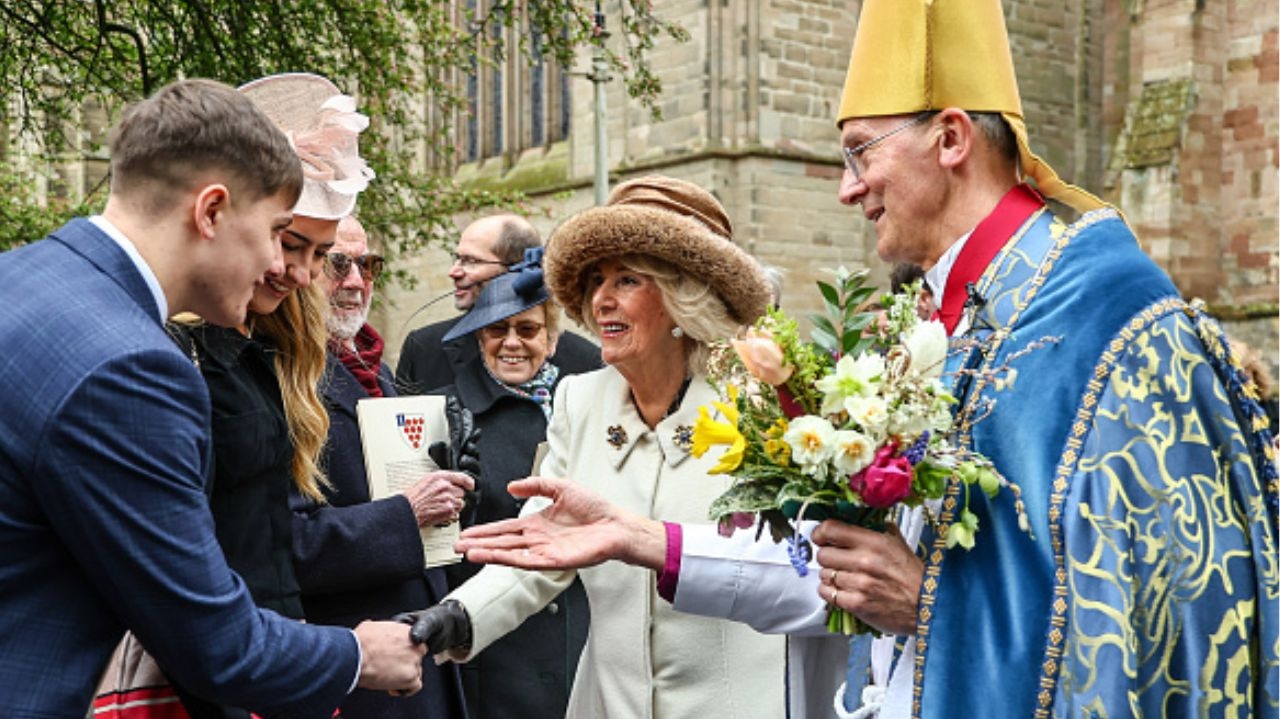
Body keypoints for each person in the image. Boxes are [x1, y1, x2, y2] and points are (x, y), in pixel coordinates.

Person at [452, 1, 1280, 717]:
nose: (847, 187)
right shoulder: (952, 321)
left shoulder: (1105, 321)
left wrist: (932, 605)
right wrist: (640, 536)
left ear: (950, 137)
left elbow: (1165, 624)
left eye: (860, 151)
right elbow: (840, 569)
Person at [0, 78, 423, 717]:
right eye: (278, 232)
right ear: (212, 211)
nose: (287, 269)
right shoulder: (135, 367)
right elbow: (217, 644)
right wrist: (358, 654)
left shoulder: (24, 278)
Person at [403, 175, 800, 719]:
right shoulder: (579, 399)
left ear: (685, 294)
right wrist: (454, 617)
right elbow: (541, 546)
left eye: (627, 280)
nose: (601, 300)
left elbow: (791, 570)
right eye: (595, 280)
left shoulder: (761, 405)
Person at [164, 71, 398, 718]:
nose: (299, 272)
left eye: (319, 255)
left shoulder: (280, 357)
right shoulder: (179, 353)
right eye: (290, 243)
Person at [289, 215, 471, 719]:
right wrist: (406, 514)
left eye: (368, 265)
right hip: (355, 670)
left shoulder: (375, 371)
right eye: (338, 264)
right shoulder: (285, 378)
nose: (355, 281)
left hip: (419, 653)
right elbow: (288, 543)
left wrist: (454, 489)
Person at [429, 249, 590, 719]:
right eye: (497, 330)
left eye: (527, 329)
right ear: (480, 339)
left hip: (579, 643)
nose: (512, 343)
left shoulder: (588, 412)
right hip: (495, 651)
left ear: (552, 340)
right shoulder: (443, 414)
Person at [396, 214, 602, 395]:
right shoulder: (424, 349)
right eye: (457, 259)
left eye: (471, 261)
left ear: (517, 266)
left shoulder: (585, 362)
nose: (454, 272)